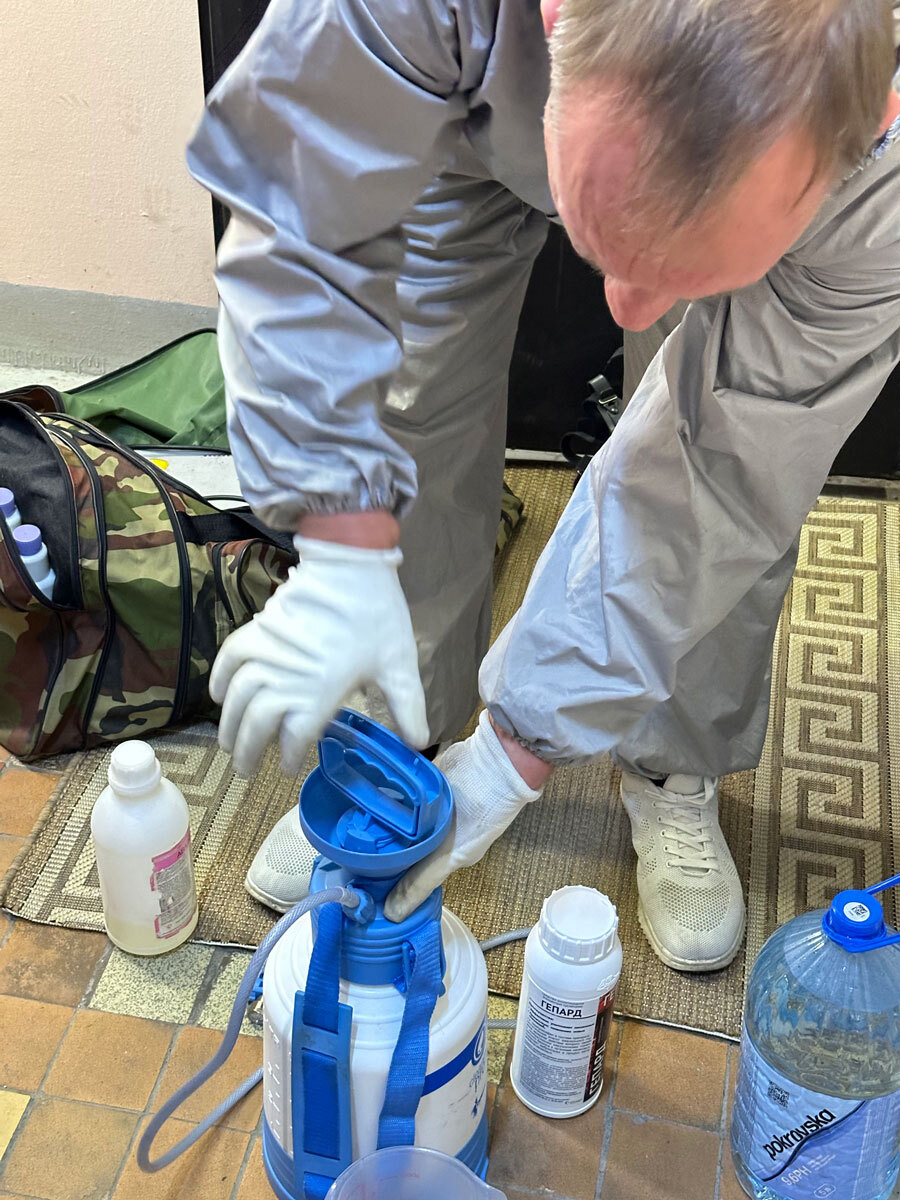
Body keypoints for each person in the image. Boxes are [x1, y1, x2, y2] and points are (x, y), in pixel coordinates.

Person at [187, 0, 900, 972]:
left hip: (779, 188)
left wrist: (511, 755)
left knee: (724, 471)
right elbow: (302, 225)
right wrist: (340, 544)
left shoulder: (875, 190)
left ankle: (673, 768)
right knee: (408, 390)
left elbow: (719, 470)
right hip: (462, 90)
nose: (627, 312)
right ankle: (402, 743)